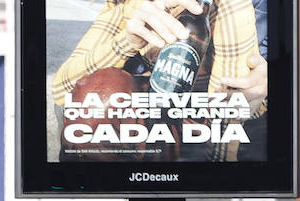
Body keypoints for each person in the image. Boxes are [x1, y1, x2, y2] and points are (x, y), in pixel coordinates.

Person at [50, 0, 267, 162]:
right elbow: (63, 88)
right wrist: (127, 41)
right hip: (149, 111)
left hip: (215, 117)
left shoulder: (245, 7)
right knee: (94, 100)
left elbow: (291, 56)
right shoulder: (128, 4)